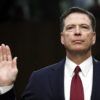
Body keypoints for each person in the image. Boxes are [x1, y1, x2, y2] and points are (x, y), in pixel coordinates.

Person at [0, 6, 100, 100]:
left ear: (93, 37)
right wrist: (6, 86)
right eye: (70, 27)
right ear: (62, 38)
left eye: (84, 27)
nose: (77, 32)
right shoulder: (40, 79)